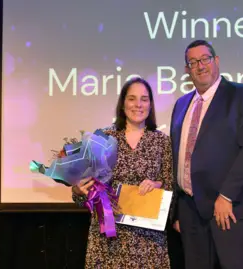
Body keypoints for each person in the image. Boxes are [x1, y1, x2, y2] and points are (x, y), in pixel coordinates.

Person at [170, 39, 243, 269]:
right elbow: (177, 157)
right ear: (187, 70)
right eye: (193, 62)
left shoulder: (242, 95)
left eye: (205, 59)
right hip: (190, 212)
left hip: (229, 208)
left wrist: (226, 196)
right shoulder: (181, 104)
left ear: (216, 61)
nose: (200, 66)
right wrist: (176, 211)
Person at [72, 77, 173, 269]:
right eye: (132, 98)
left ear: (150, 105)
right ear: (123, 103)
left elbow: (170, 187)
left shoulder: (162, 142)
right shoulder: (103, 138)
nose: (138, 105)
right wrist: (78, 190)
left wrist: (158, 184)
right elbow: (82, 192)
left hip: (147, 241)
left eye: (144, 99)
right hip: (108, 238)